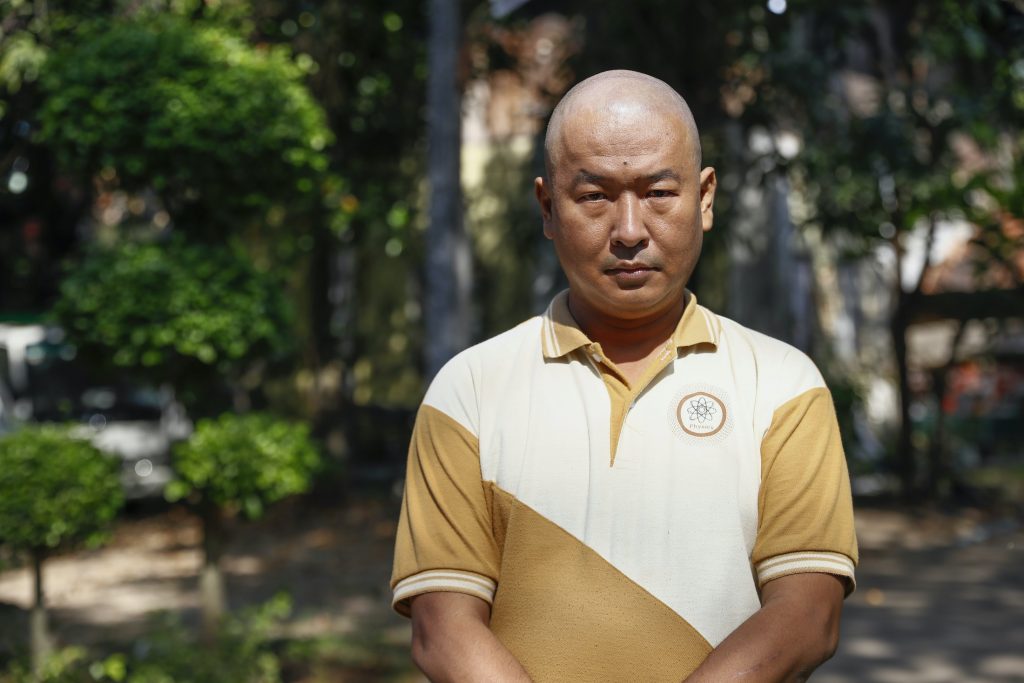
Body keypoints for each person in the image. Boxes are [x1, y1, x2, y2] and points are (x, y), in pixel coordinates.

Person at [390, 69, 858, 682]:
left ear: (706, 197)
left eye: (660, 193)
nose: (630, 230)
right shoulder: (471, 391)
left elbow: (807, 616)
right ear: (547, 207)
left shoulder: (782, 386)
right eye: (594, 197)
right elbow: (443, 629)